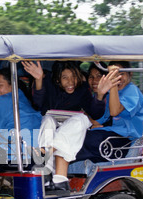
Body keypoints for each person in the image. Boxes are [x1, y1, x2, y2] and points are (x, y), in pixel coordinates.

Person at [53, 61, 143, 191]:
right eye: (112, 75)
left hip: (120, 142)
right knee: (75, 137)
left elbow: (114, 111)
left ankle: (53, 170)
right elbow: (98, 120)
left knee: (84, 141)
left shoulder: (131, 90)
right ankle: (57, 176)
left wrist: (112, 84)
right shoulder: (109, 95)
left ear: (130, 74)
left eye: (121, 74)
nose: (117, 78)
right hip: (105, 137)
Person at [22, 61, 114, 189]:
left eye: (73, 77)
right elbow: (38, 104)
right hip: (53, 120)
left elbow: (95, 113)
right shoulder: (49, 83)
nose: (70, 82)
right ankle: (51, 174)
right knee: (47, 120)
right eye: (65, 78)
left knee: (81, 119)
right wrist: (38, 80)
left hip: (73, 124)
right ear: (58, 80)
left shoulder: (82, 88)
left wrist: (99, 95)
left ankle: (46, 150)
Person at [0, 68, 42, 163]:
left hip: (15, 154)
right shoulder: (22, 98)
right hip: (35, 152)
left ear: (13, 85)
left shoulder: (4, 100)